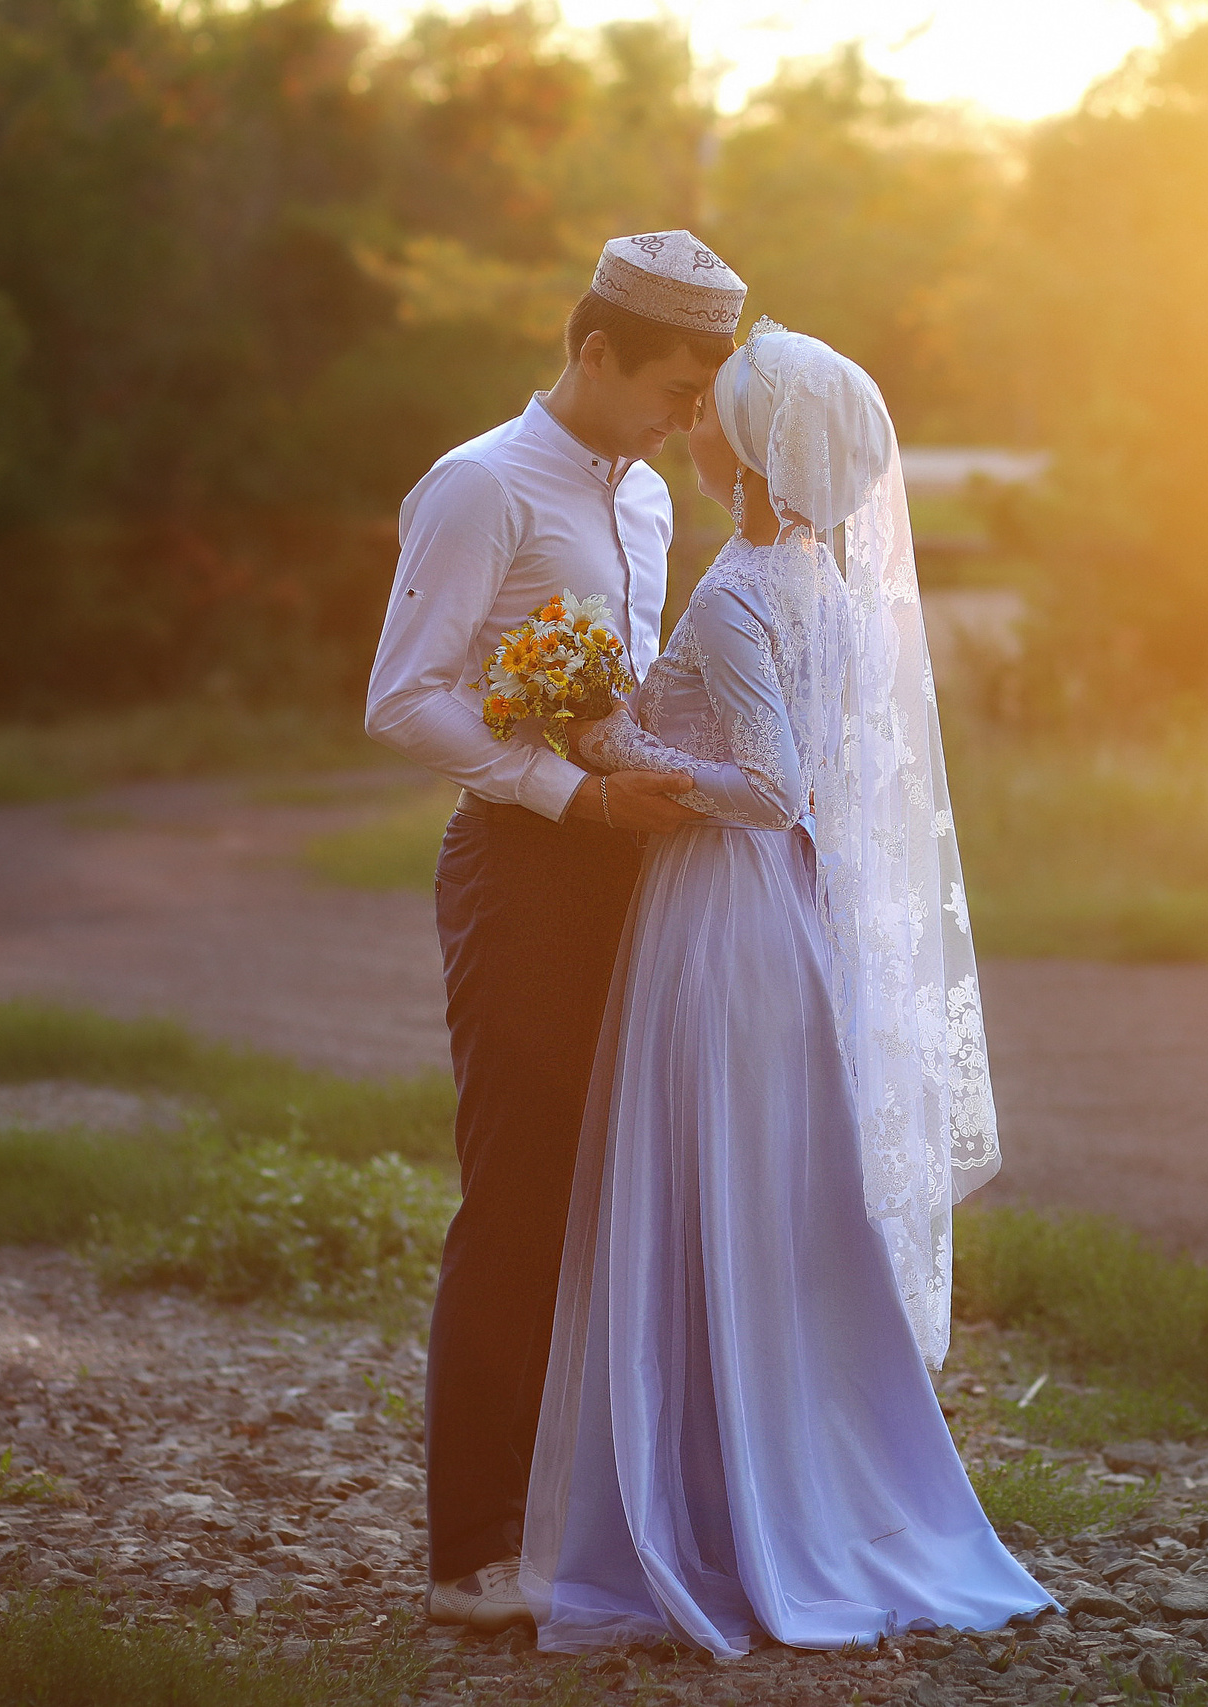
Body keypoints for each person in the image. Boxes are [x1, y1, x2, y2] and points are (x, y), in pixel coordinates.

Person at [518, 320, 1054, 1656]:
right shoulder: (823, 578)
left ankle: (719, 1510)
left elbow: (768, 790)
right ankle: (777, 1477)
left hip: (726, 919)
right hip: (790, 923)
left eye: (711, 414)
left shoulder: (741, 585)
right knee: (763, 1202)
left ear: (750, 448)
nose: (691, 425)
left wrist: (611, 737)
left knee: (715, 1195)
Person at [364, 231, 745, 1633]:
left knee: (618, 1199)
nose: (685, 417)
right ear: (594, 352)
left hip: (628, 868)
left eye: (705, 393)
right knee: (520, 1199)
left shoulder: (645, 500)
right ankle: (471, 1554)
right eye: (672, 385)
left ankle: (581, 1521)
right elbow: (404, 700)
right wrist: (570, 795)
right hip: (522, 872)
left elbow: (614, 688)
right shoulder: (478, 485)